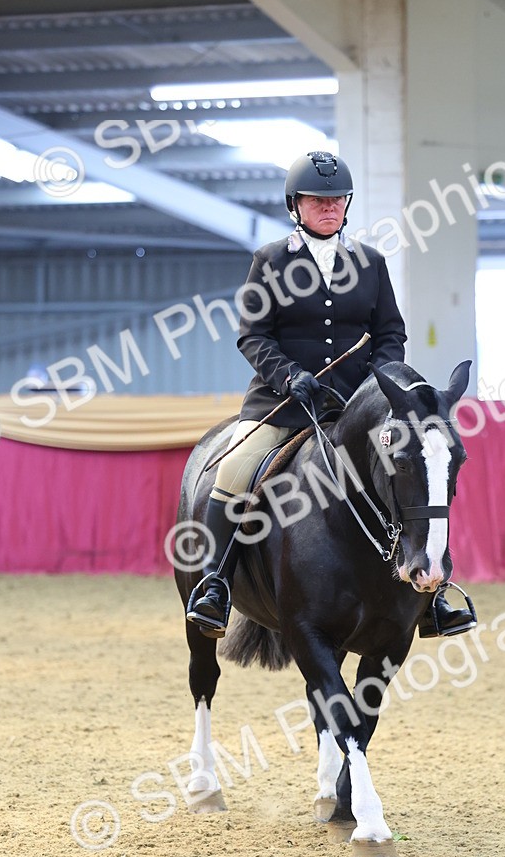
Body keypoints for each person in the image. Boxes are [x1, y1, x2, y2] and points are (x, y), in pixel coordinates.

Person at [186, 149, 475, 640]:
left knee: (413, 474)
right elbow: (253, 336)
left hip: (355, 412)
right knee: (234, 471)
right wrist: (289, 376)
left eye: (338, 199)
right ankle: (215, 584)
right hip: (284, 406)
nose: (329, 207)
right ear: (294, 205)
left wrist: (380, 386)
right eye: (317, 200)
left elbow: (389, 335)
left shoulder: (370, 263)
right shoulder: (270, 261)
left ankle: (430, 596)